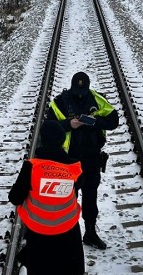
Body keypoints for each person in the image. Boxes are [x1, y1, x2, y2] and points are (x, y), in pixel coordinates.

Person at [9, 121, 85, 275]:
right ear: (62, 141)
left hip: (39, 235)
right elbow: (77, 187)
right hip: (67, 235)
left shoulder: (31, 166)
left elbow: (14, 197)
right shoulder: (74, 166)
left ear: (42, 140)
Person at [46, 71, 119, 250]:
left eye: (83, 91)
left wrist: (96, 121)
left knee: (90, 196)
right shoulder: (59, 102)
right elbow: (48, 128)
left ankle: (90, 232)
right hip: (68, 159)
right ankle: (67, 233)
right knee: (68, 198)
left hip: (92, 157)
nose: (81, 94)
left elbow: (114, 120)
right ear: (71, 87)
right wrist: (69, 125)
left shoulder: (96, 99)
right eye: (78, 91)